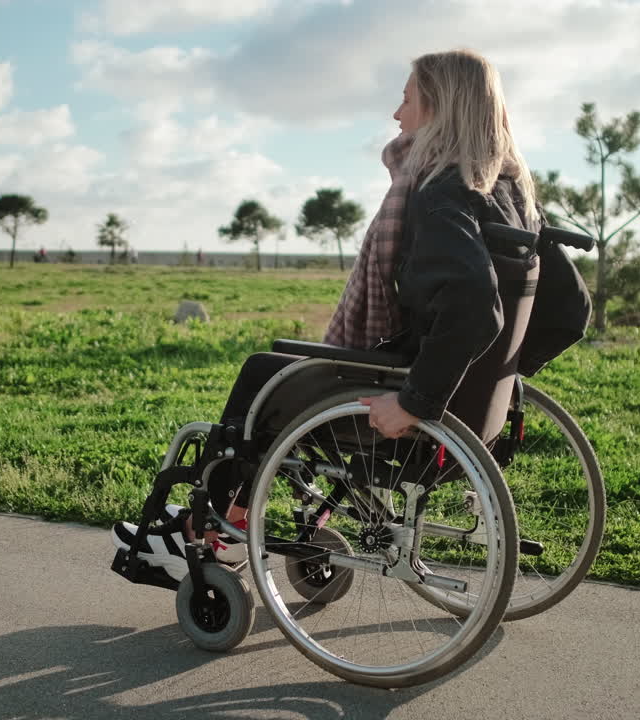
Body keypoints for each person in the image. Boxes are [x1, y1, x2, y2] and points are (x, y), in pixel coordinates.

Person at [111, 49, 542, 579]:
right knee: (278, 371)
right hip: (468, 393)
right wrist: (494, 370)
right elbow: (570, 310)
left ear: (437, 108)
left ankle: (211, 530)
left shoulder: (440, 191)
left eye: (406, 98)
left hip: (412, 385)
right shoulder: (510, 191)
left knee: (264, 373)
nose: (396, 113)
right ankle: (233, 519)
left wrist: (418, 399)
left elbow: (475, 308)